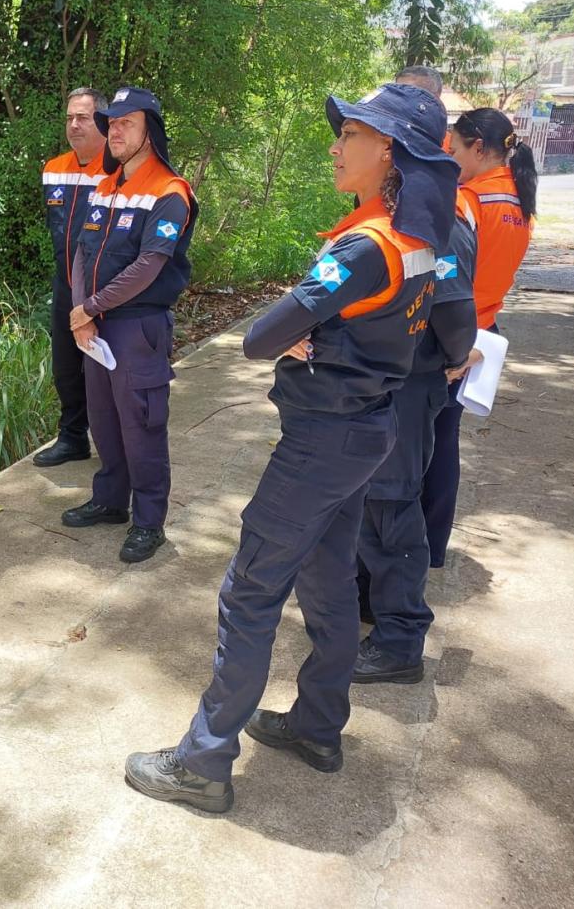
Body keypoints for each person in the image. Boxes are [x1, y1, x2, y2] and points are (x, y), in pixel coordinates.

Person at [124, 83, 458, 812]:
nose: (337, 146)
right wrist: (315, 332)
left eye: (353, 135)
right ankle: (317, 726)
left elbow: (256, 337)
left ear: (390, 151)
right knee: (331, 581)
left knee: (250, 591)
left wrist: (300, 333)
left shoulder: (366, 246)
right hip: (368, 432)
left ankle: (203, 762)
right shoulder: (418, 240)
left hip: (322, 442)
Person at [59, 87, 196, 564]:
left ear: (150, 132)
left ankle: (148, 521)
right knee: (105, 420)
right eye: (111, 123)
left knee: (142, 426)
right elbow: (80, 251)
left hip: (137, 329)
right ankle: (110, 500)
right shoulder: (106, 185)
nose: (113, 131)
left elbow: (151, 263)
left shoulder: (169, 192)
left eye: (126, 123)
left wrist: (90, 307)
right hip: (94, 328)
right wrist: (81, 313)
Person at [352, 185, 478, 681]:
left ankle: (400, 641)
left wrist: (449, 361)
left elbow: (454, 313)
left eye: (353, 136)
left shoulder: (435, 220)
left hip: (407, 384)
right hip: (377, 383)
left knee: (392, 507)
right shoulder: (384, 213)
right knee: (368, 500)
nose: (338, 149)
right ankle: (371, 604)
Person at [420, 107, 538, 569]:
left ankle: (410, 548)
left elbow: (447, 279)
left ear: (478, 148)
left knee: (418, 444)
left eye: (454, 150)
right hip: (483, 332)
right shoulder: (519, 205)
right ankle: (432, 546)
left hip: (450, 335)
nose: (450, 158)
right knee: (445, 441)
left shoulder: (466, 202)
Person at [33, 88, 108, 467]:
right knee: (65, 365)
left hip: (104, 289)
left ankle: (115, 444)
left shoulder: (116, 169)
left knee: (106, 369)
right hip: (65, 284)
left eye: (83, 117)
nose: (74, 125)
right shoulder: (54, 168)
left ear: (103, 122)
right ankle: (73, 437)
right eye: (69, 118)